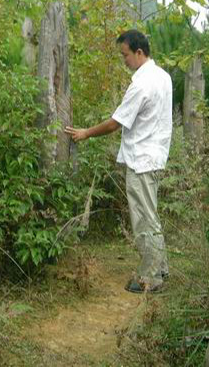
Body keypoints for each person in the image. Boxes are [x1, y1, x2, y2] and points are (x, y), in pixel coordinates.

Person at [64, 29, 172, 294]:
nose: (123, 60)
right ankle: (161, 267)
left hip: (142, 159)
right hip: (155, 155)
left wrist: (85, 133)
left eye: (125, 55)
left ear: (139, 52)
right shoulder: (163, 76)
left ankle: (150, 277)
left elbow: (115, 123)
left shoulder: (142, 84)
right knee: (151, 214)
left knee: (144, 219)